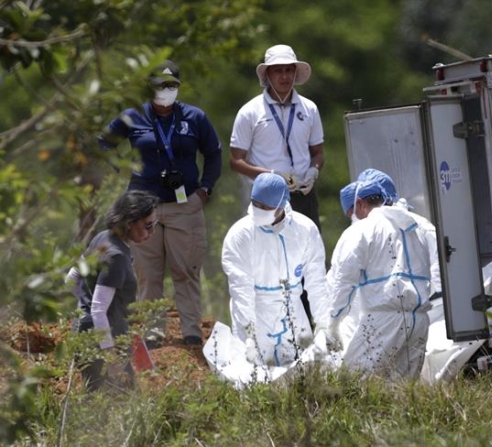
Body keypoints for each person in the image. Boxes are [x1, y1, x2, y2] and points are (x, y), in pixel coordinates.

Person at [98, 60, 223, 346]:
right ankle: (154, 331)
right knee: (148, 272)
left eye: (171, 85)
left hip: (184, 204)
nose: (165, 91)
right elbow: (103, 142)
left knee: (187, 269)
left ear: (178, 87)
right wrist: (120, 169)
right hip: (142, 207)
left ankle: (191, 330)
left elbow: (214, 154)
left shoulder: (194, 117)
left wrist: (205, 190)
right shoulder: (132, 116)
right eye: (159, 85)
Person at [326, 179, 434, 380]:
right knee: (401, 392)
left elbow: (344, 281)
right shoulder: (416, 227)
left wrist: (333, 323)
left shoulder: (363, 229)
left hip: (384, 319)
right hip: (419, 319)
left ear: (359, 203)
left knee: (352, 385)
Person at [221, 172, 327, 367]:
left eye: (266, 207)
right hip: (256, 311)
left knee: (304, 373)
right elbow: (241, 289)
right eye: (256, 204)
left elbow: (316, 281)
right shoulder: (241, 234)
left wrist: (323, 323)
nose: (259, 210)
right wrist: (250, 334)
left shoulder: (304, 229)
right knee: (254, 377)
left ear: (282, 204)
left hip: (293, 311)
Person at [69, 190, 159, 391]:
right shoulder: (117, 256)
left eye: (154, 225)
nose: (152, 232)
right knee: (119, 400)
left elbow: (71, 278)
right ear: (130, 222)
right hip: (103, 340)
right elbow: (99, 310)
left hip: (84, 333)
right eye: (148, 226)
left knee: (97, 398)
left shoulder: (102, 237)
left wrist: (83, 306)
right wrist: (111, 358)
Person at [229, 44, 324, 230]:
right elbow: (235, 161)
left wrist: (314, 172)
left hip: (303, 193)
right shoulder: (250, 111)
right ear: (268, 75)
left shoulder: (309, 108)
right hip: (267, 196)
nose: (285, 76)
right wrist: (272, 175)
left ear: (296, 73)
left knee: (310, 250)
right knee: (268, 251)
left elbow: (318, 152)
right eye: (278, 71)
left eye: (289, 70)